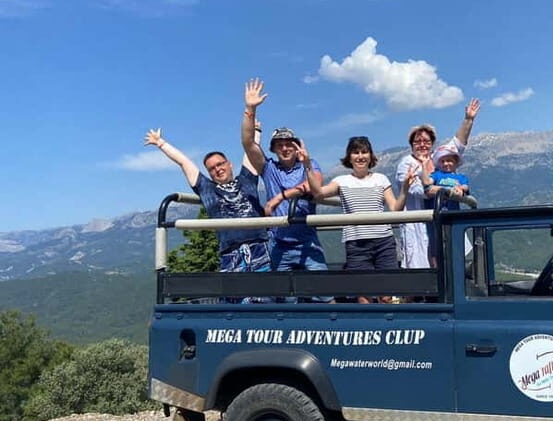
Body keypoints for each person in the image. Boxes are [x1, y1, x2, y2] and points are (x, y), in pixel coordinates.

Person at [240, 78, 332, 302]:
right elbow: (248, 143)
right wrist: (250, 110)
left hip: (308, 241)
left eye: (289, 143)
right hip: (279, 244)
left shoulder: (309, 165)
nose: (285, 147)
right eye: (279, 145)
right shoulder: (269, 168)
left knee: (325, 296)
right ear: (274, 149)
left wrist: (282, 195)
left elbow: (314, 186)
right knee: (286, 301)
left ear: (297, 146)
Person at [301, 136, 416, 303]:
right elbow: (318, 193)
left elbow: (395, 209)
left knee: (387, 295)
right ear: (349, 157)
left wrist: (405, 189)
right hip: (356, 244)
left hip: (384, 242)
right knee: (363, 296)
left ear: (370, 156)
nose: (360, 156)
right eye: (356, 152)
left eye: (364, 152)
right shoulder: (341, 181)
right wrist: (307, 165)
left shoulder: (381, 179)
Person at [143, 129, 270, 275]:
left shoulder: (247, 180)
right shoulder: (207, 189)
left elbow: (251, 149)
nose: (218, 169)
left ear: (229, 164)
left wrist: (256, 131)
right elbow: (184, 162)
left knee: (268, 288)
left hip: (260, 247)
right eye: (212, 168)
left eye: (220, 164)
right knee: (234, 289)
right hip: (230, 253)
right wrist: (160, 143)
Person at [395, 98, 481, 268]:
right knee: (423, 268)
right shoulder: (406, 164)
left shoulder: (439, 159)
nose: (422, 145)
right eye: (417, 141)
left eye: (427, 141)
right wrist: (450, 190)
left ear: (432, 143)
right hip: (419, 224)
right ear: (411, 144)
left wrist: (468, 119)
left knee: (451, 264)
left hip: (443, 220)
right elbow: (421, 191)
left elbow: (458, 144)